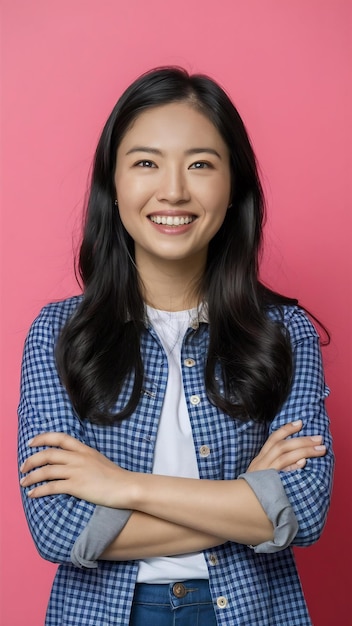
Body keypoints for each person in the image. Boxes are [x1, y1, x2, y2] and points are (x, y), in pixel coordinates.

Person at [18, 67, 334, 626]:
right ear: (112, 186)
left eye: (200, 164)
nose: (173, 190)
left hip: (250, 611)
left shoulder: (284, 332)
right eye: (146, 162)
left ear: (232, 186)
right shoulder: (59, 334)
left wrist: (121, 486)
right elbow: (60, 528)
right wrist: (246, 499)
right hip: (104, 613)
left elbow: (303, 510)